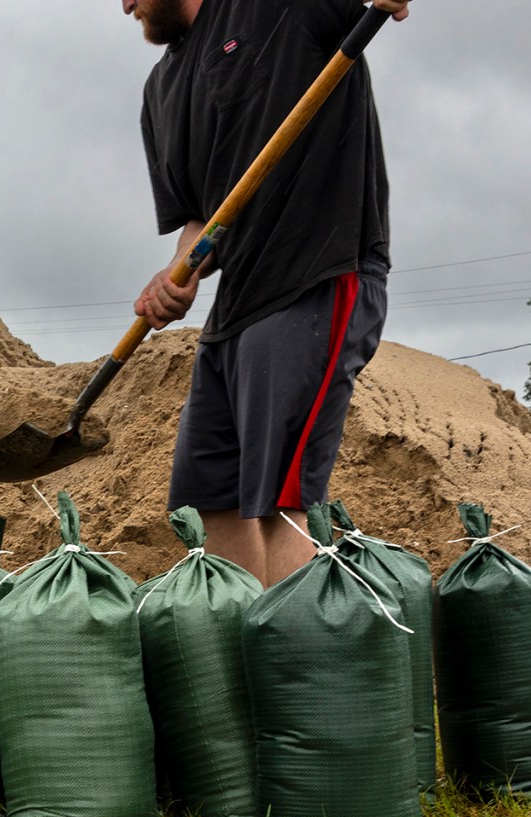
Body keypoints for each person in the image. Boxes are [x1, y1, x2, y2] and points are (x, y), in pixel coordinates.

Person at [128, 0, 409, 586]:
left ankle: (296, 669)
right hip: (235, 308)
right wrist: (176, 277)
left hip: (314, 274)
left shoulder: (277, 8)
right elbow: (199, 222)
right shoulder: (161, 90)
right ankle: (246, 652)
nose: (124, 6)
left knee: (284, 500)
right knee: (210, 496)